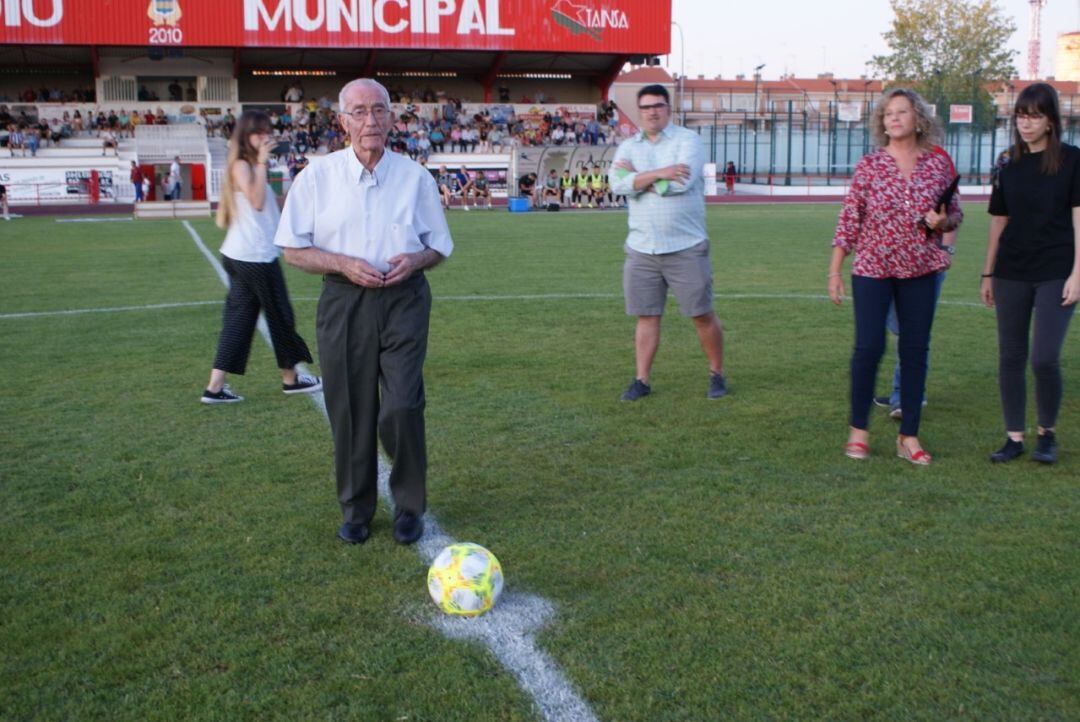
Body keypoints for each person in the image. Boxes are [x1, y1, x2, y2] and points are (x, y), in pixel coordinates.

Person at [276, 78, 454, 546]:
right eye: (359, 112)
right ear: (342, 121)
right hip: (344, 300)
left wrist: (414, 260)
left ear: (392, 118)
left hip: (405, 299)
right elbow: (292, 249)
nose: (370, 120)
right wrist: (340, 263)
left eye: (379, 110)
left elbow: (438, 246)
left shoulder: (416, 178)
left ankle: (409, 506)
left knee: (401, 405)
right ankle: (356, 509)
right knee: (350, 409)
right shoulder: (316, 177)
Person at [828, 88, 961, 465]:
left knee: (915, 349)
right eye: (888, 114)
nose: (894, 119)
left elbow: (954, 213)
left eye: (902, 112)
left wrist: (944, 223)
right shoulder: (870, 165)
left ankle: (909, 436)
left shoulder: (937, 165)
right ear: (882, 123)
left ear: (918, 119)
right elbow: (849, 219)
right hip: (872, 269)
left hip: (920, 268)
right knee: (869, 347)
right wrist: (835, 269)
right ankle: (858, 431)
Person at [981, 82, 1080, 464]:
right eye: (1021, 115)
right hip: (1011, 270)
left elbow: (1078, 219)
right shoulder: (1007, 162)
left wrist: (1077, 273)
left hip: (1057, 269)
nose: (1025, 123)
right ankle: (1014, 437)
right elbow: (998, 219)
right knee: (1010, 355)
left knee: (1043, 357)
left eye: (1035, 116)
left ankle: (1047, 433)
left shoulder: (1072, 161)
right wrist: (988, 274)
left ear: (1051, 121)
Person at [610, 83, 727, 402]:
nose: (652, 111)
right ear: (639, 111)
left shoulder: (688, 140)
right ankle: (641, 380)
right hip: (641, 248)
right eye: (646, 107)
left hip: (686, 246)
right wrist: (659, 172)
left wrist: (637, 179)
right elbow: (615, 185)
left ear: (668, 108)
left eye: (658, 105)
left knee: (701, 314)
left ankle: (717, 373)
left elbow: (681, 183)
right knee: (646, 316)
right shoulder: (628, 146)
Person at [202, 110, 322, 406]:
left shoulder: (247, 166)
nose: (265, 137)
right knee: (281, 315)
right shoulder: (244, 165)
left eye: (267, 131)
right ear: (245, 136)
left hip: (244, 255)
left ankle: (214, 387)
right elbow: (256, 203)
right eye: (258, 133)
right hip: (254, 257)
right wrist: (261, 160)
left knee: (239, 321)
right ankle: (290, 379)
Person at [875, 144, 959, 420]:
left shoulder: (937, 158)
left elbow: (950, 208)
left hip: (926, 263)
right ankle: (906, 390)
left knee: (914, 331)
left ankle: (906, 396)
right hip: (888, 263)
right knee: (897, 326)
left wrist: (946, 250)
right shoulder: (882, 156)